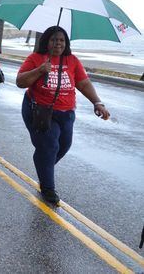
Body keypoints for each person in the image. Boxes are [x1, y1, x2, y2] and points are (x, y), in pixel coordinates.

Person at [16, 26, 110, 205]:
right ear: (46, 42)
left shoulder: (72, 60)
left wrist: (98, 103)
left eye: (61, 40)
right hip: (40, 111)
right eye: (53, 39)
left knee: (64, 146)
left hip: (66, 112)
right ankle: (48, 188)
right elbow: (20, 81)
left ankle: (43, 164)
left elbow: (83, 83)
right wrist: (40, 70)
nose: (57, 43)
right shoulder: (36, 58)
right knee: (49, 146)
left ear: (65, 43)